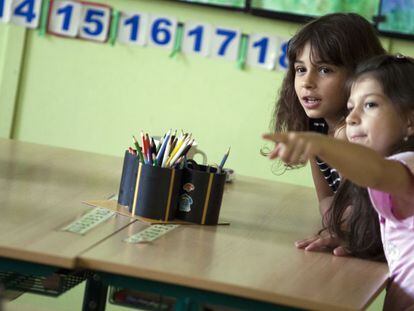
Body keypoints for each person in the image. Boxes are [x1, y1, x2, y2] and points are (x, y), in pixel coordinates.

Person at [264, 54, 414, 310]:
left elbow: (376, 172)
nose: (352, 118)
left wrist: (321, 143)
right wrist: (356, 239)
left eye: (370, 105)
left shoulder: (406, 165)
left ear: (410, 120)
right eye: (350, 107)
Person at [270, 12, 385, 257]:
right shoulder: (317, 128)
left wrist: (341, 228)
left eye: (324, 70)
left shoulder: (367, 135)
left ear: (360, 76)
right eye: (300, 69)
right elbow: (328, 201)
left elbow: (366, 211)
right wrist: (338, 227)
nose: (307, 82)